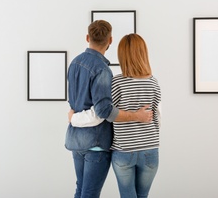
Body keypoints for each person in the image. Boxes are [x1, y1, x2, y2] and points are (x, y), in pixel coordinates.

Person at [65, 20, 153, 198]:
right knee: (89, 193)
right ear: (110, 40)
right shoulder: (102, 70)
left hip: (76, 141)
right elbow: (103, 111)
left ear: (88, 37)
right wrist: (136, 115)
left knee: (81, 189)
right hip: (95, 144)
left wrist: (73, 119)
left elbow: (74, 103)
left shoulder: (74, 63)